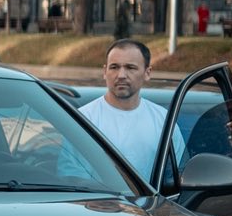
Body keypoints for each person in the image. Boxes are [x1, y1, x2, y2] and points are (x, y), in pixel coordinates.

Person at [78, 38, 182, 175]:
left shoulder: (164, 120)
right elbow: (71, 176)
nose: (121, 75)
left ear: (147, 73)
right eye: (114, 67)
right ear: (104, 71)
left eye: (130, 67)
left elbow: (179, 174)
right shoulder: (82, 119)